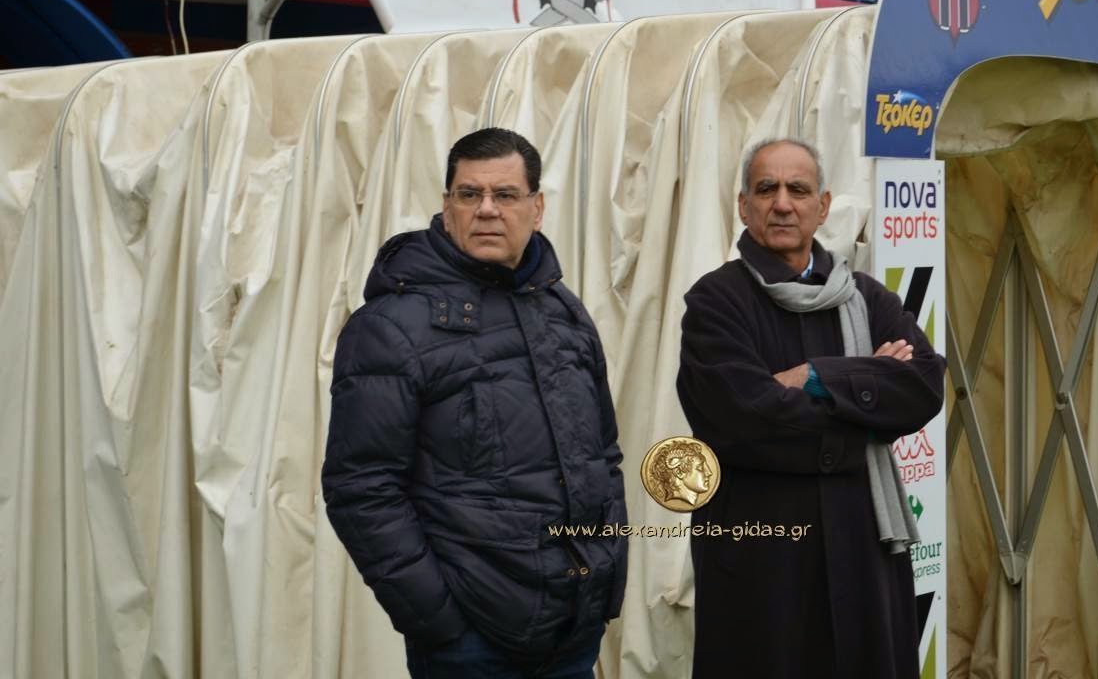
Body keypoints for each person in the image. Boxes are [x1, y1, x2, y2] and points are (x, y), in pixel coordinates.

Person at [322, 128, 627, 679]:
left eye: (505, 194)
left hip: (574, 629)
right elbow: (361, 488)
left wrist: (604, 572)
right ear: (447, 208)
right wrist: (438, 620)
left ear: (537, 208)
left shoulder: (564, 312)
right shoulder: (390, 327)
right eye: (470, 194)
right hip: (471, 644)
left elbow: (603, 456)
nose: (487, 209)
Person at [676, 138, 945, 679]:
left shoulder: (867, 297)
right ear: (743, 205)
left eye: (798, 190)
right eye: (766, 189)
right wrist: (866, 406)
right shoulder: (714, 302)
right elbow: (744, 419)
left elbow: (923, 385)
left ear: (822, 206)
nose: (782, 203)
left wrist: (815, 376)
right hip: (762, 555)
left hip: (864, 549)